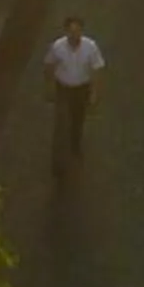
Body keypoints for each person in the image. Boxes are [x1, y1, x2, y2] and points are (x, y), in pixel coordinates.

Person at [44, 13, 106, 177]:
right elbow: (49, 65)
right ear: (66, 32)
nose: (74, 35)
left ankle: (75, 143)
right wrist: (49, 86)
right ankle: (59, 153)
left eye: (77, 31)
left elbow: (97, 69)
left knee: (78, 118)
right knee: (62, 118)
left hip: (81, 88)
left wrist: (94, 92)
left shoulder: (90, 47)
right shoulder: (58, 47)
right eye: (71, 31)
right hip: (63, 87)